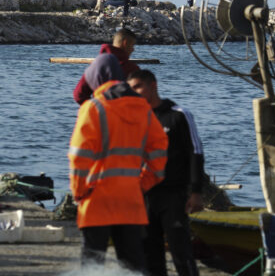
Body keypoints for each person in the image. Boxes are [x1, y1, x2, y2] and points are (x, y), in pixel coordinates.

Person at [68, 54, 168, 273]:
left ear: (95, 79)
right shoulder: (143, 109)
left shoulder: (93, 108)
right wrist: (142, 184)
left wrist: (79, 191)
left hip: (96, 199)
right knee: (132, 263)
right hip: (131, 199)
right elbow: (160, 151)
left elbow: (78, 156)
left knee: (92, 263)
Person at [127, 69, 205, 276]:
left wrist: (196, 192)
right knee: (149, 255)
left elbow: (195, 153)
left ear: (153, 86)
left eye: (138, 87)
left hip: (173, 195)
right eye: (131, 89)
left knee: (181, 252)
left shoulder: (178, 115)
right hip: (143, 197)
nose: (134, 93)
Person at [73, 28, 140, 105]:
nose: (133, 49)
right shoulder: (131, 68)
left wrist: (95, 109)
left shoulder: (96, 65)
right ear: (125, 43)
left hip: (98, 113)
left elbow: (78, 95)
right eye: (132, 45)